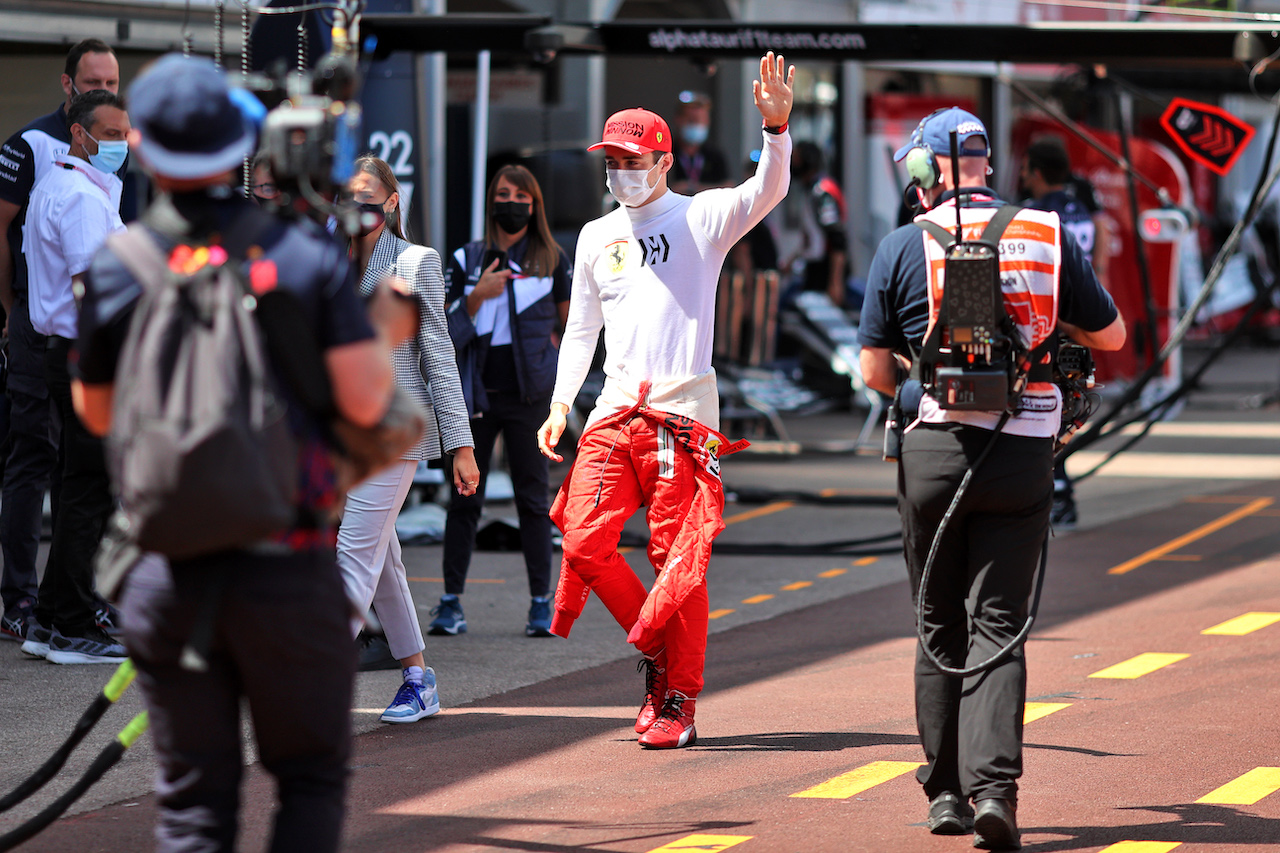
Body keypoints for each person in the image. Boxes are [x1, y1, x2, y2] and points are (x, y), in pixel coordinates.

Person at [72, 54, 411, 852]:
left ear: (145, 146)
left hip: (166, 568)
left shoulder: (118, 266)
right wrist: (381, 331)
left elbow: (97, 412)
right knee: (309, 780)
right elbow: (367, 405)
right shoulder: (304, 257)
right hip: (284, 568)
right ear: (242, 147)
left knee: (195, 804)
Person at [859, 107, 1126, 849]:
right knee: (999, 624)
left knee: (937, 619)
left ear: (919, 172)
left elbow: (876, 371)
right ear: (985, 163)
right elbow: (1112, 334)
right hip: (1021, 450)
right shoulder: (1046, 234)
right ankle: (994, 791)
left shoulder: (900, 245)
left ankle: (944, 790)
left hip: (932, 456)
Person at [536, 52, 794, 750]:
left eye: (631, 158)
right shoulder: (594, 236)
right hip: (615, 412)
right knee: (584, 539)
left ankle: (678, 696)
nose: (620, 170)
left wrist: (775, 129)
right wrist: (562, 402)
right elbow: (581, 328)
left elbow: (765, 191)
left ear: (662, 161)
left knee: (674, 560)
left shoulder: (701, 218)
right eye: (611, 159)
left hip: (684, 417)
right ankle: (653, 651)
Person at [338, 154, 478, 723]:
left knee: (352, 553)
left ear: (394, 201)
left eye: (371, 195)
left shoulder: (417, 262)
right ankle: (418, 678)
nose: (360, 206)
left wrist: (461, 445)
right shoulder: (330, 264)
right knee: (383, 557)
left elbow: (439, 355)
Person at [0, 38, 121, 643]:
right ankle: (44, 607)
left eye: (114, 84)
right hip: (65, 341)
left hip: (66, 341)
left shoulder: (89, 173)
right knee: (63, 474)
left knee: (78, 477)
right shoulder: (54, 169)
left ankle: (63, 605)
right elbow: (87, 283)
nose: (123, 139)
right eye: (95, 84)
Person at [438, 164, 571, 637]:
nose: (511, 202)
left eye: (521, 196)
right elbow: (442, 335)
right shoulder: (465, 258)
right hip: (472, 397)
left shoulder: (551, 259)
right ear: (490, 200)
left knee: (532, 500)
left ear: (534, 206)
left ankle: (541, 603)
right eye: (503, 193)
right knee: (464, 500)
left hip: (528, 398)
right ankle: (450, 602)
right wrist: (476, 297)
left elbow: (574, 328)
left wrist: (555, 368)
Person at [21, 90, 129, 663]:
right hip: (87, 356)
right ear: (79, 134)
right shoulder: (81, 198)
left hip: (61, 352)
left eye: (124, 134)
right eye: (109, 134)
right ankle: (74, 624)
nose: (120, 144)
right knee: (88, 492)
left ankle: (50, 617)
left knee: (74, 488)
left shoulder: (60, 186)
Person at [1020, 135, 1113, 531]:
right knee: (1069, 412)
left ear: (1037, 172)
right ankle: (1059, 494)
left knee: (1042, 412)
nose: (1022, 175)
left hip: (1051, 326)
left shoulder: (1033, 214)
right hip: (1082, 322)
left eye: (1025, 168)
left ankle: (1056, 495)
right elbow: (1104, 235)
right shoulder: (1081, 208)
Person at [786, 140, 848, 308]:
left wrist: (835, 282)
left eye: (796, 159)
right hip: (813, 270)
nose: (792, 163)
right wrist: (791, 262)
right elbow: (811, 239)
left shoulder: (822, 192)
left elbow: (837, 239)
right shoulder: (809, 190)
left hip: (825, 272)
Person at [669, 90, 729, 194]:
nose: (696, 125)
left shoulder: (715, 155)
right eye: (691, 120)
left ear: (708, 122)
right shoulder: (667, 152)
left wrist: (693, 188)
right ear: (678, 120)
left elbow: (728, 187)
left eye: (700, 121)